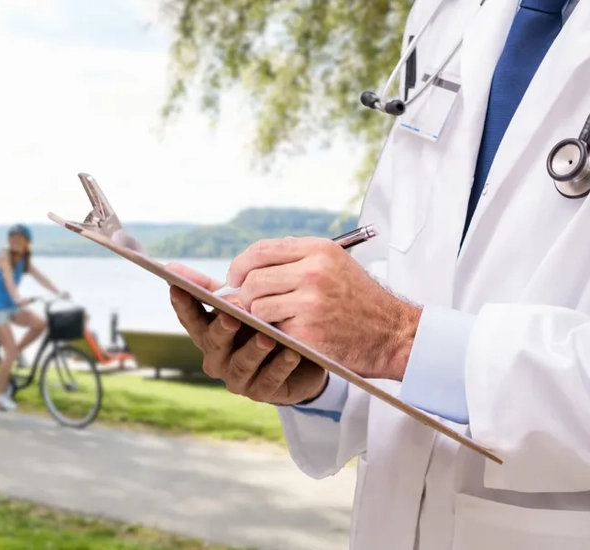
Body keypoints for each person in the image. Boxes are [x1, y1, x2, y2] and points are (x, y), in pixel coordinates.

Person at [167, 2, 590, 549]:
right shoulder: (447, 16)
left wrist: (397, 339)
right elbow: (401, 272)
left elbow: (402, 331)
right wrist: (319, 371)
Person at [0, 223, 69, 411]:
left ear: (27, 243)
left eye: (19, 239)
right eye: (12, 238)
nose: (15, 241)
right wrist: (19, 299)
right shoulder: (3, 256)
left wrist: (58, 292)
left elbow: (40, 277)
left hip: (11, 307)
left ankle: (14, 353)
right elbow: (9, 281)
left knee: (40, 323)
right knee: (11, 352)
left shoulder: (24, 259)